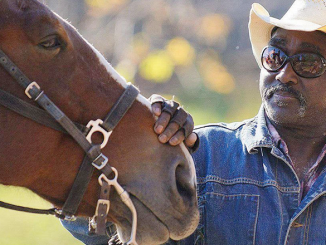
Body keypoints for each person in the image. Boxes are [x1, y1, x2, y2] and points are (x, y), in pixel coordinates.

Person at [62, 0, 326, 244]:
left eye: (308, 62)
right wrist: (131, 147)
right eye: (275, 56)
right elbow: (90, 225)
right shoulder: (200, 157)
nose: (283, 74)